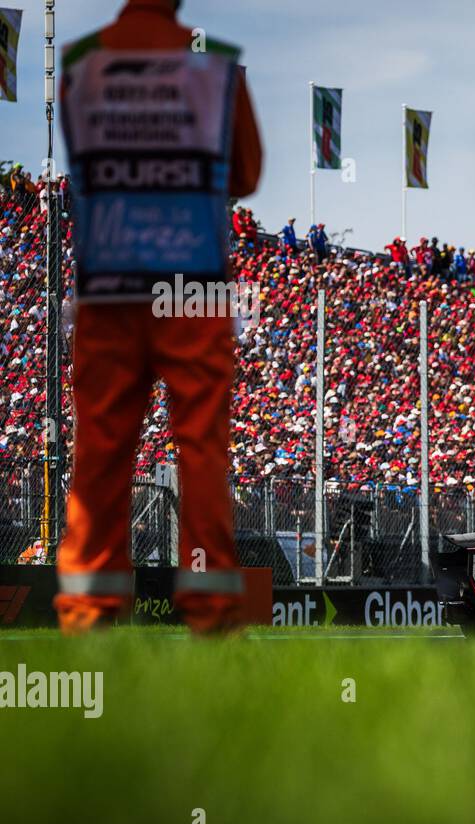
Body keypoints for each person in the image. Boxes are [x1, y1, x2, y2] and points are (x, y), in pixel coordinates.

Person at [55, 0, 263, 635]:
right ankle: (213, 611)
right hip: (190, 284)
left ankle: (89, 611)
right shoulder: (218, 69)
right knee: (200, 446)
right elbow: (248, 176)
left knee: (99, 451)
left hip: (107, 283)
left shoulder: (78, 63)